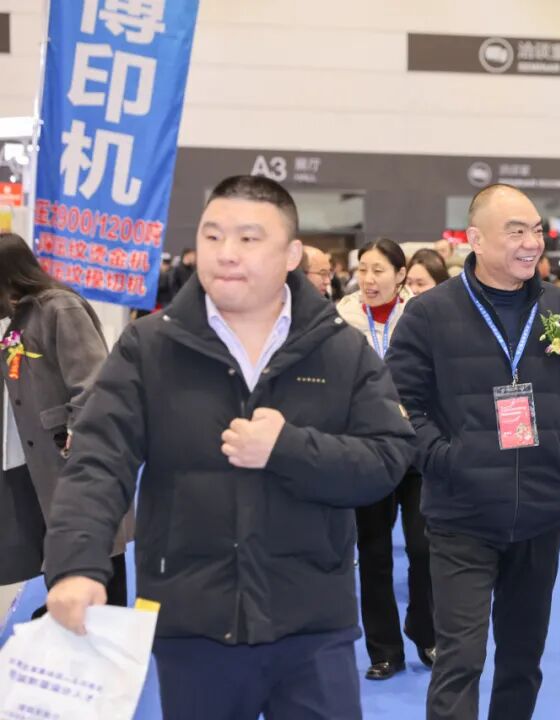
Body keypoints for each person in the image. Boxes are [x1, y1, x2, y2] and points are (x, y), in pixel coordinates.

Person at [43, 175, 416, 719]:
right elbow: (97, 463)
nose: (226, 253)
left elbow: (388, 457)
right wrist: (77, 565)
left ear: (291, 254)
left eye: (248, 238)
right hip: (193, 624)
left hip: (312, 624)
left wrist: (288, 449)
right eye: (213, 236)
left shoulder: (340, 349)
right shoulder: (150, 347)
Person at [386, 183, 560, 720]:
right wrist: (446, 460)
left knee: (522, 662)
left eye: (537, 230)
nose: (532, 243)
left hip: (540, 513)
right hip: (461, 516)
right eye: (516, 231)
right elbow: (399, 405)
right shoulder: (429, 314)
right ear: (476, 239)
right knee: (460, 660)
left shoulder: (557, 307)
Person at [0, 234, 131, 607]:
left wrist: (79, 431)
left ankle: (103, 628)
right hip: (38, 458)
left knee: (96, 547)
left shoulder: (59, 308)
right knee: (61, 548)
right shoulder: (18, 320)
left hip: (74, 455)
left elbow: (93, 379)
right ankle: (67, 620)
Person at [338, 237, 435, 679]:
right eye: (363, 269)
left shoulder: (423, 315)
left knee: (424, 547)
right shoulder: (342, 318)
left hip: (416, 448)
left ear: (400, 275)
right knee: (374, 552)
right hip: (369, 449)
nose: (369, 279)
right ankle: (384, 650)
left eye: (379, 270)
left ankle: (426, 631)